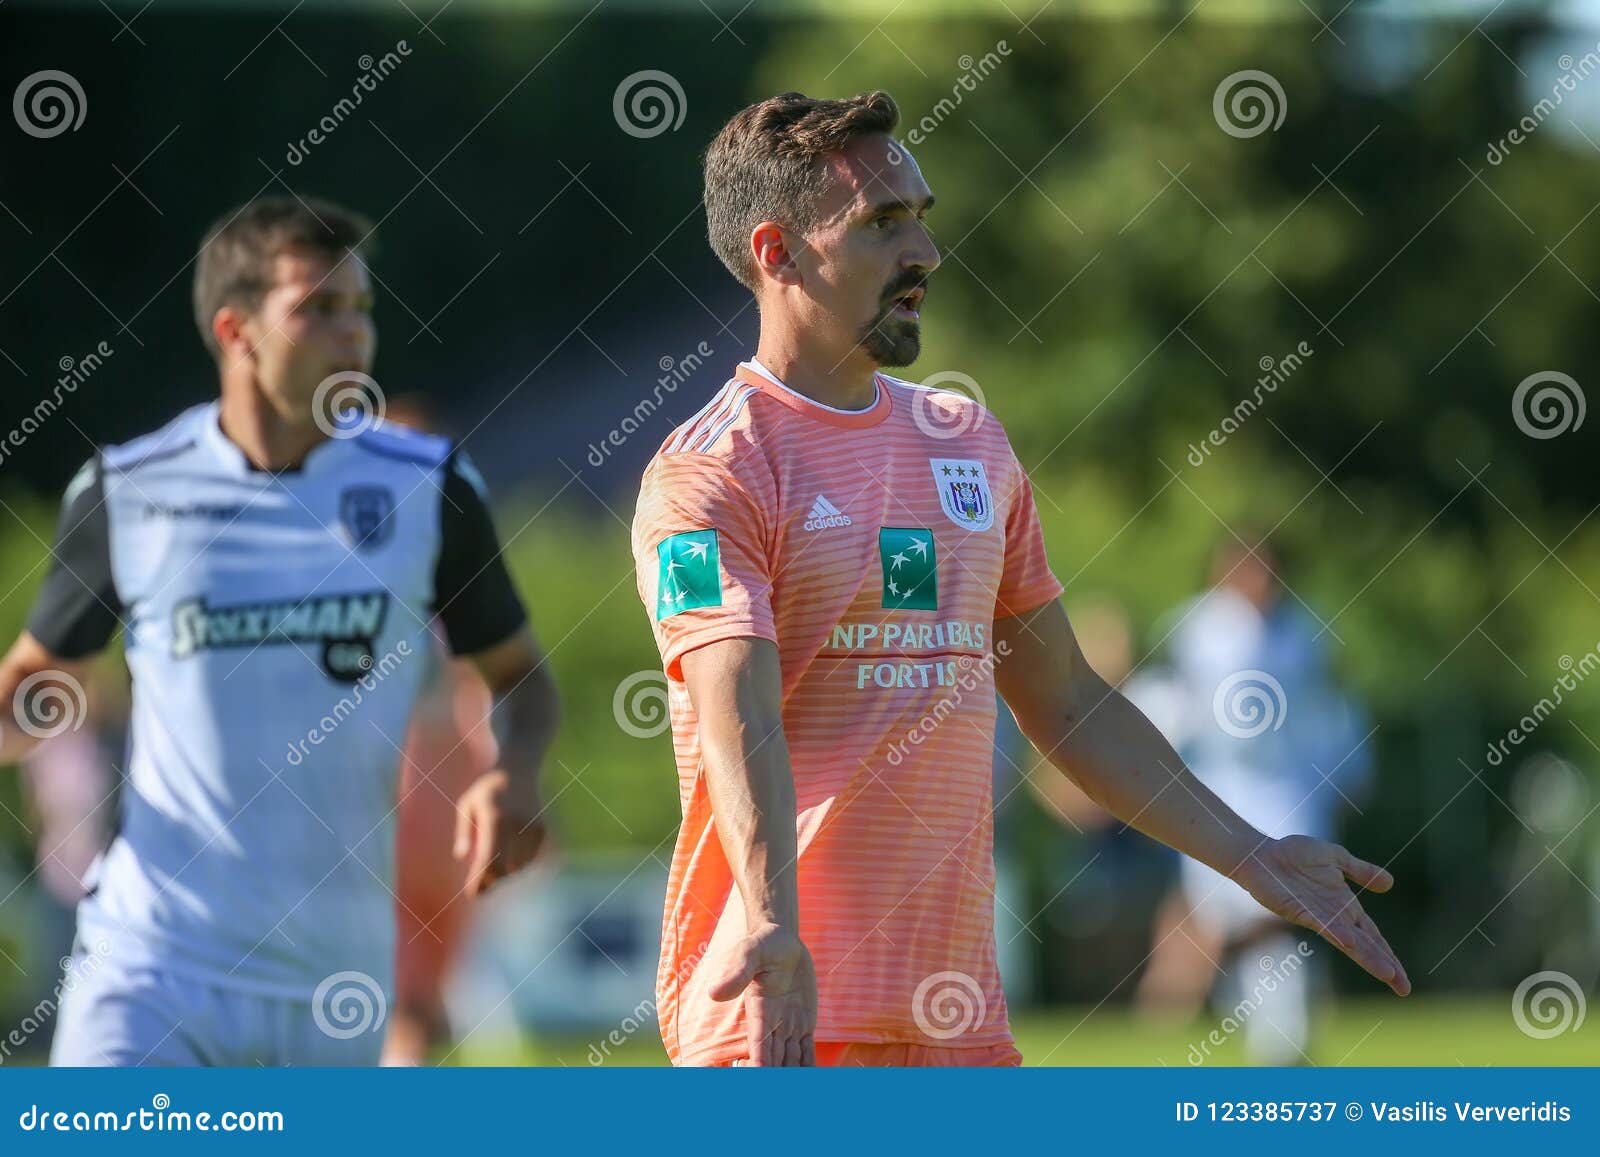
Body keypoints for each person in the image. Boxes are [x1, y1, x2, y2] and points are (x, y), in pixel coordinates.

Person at [629, 91, 1409, 1068]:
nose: (925, 253)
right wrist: (775, 927)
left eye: (920, 215)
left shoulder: (968, 440)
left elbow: (1070, 703)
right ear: (776, 251)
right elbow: (732, 711)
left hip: (957, 1024)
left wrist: (1250, 853)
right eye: (881, 223)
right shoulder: (712, 470)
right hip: (778, 1010)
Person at [0, 196, 558, 1066]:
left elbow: (520, 674)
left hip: (335, 985)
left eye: (361, 311)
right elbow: (33, 684)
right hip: (150, 965)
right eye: (318, 309)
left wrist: (513, 775)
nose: (353, 336)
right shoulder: (130, 489)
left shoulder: (430, 485)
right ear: (236, 329)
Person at [1133, 539, 1374, 1064]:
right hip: (1219, 786)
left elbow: (1330, 706)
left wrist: (1346, 770)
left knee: (1282, 909)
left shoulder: (1305, 633)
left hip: (1290, 788)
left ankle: (1278, 1034)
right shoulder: (1192, 627)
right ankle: (1177, 1004)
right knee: (1224, 915)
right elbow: (1164, 698)